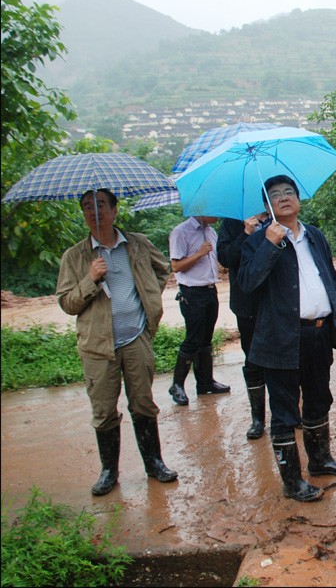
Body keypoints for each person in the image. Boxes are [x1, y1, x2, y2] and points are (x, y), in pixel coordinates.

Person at [238, 174, 336, 503]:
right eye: (276, 194)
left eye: (290, 192)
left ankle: (320, 461)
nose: (284, 197)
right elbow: (247, 284)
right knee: (286, 410)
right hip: (281, 339)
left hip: (317, 333)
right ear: (267, 207)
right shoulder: (258, 241)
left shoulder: (314, 235)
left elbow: (329, 274)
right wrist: (268, 245)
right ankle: (292, 481)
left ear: (299, 199)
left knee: (319, 399)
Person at [57, 188, 178, 495]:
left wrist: (150, 300)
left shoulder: (136, 244)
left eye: (100, 205)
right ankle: (109, 471)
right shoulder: (75, 256)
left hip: (137, 339)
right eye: (87, 207)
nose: (94, 212)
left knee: (143, 404)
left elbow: (162, 270)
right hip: (98, 347)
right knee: (103, 410)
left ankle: (155, 464)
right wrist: (90, 279)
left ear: (114, 209)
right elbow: (67, 303)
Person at [167, 215, 230, 405]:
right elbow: (176, 266)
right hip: (192, 293)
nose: (217, 213)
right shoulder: (181, 232)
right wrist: (199, 253)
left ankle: (205, 383)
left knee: (205, 340)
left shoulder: (211, 232)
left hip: (210, 290)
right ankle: (177, 385)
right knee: (193, 339)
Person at [217, 213, 270, 439]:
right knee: (253, 360)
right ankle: (257, 418)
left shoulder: (279, 220)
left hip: (278, 303)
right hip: (247, 304)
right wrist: (245, 233)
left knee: (288, 358)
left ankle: (288, 412)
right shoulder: (232, 223)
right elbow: (226, 258)